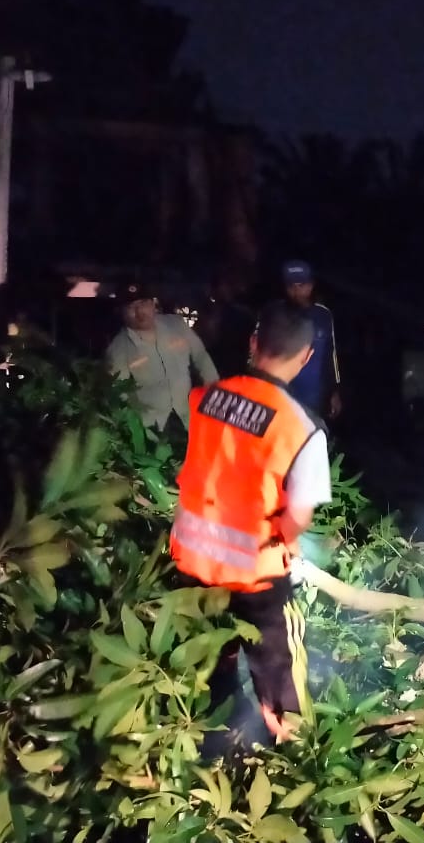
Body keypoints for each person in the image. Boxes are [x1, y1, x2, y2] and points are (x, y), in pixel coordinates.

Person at [172, 301, 331, 741]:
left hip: (192, 563)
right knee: (279, 666)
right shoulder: (302, 429)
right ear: (306, 357)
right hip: (255, 572)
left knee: (208, 658)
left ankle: (211, 740)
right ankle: (289, 743)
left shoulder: (207, 397)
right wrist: (288, 540)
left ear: (253, 343)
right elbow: (298, 516)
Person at [105, 280, 219, 433]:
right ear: (122, 311)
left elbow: (201, 357)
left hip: (188, 418)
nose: (139, 312)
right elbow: (119, 394)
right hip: (152, 429)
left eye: (143, 303)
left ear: (153, 304)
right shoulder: (118, 349)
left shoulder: (177, 325)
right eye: (131, 307)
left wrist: (214, 392)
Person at [280, 259, 342, 419]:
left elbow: (331, 355)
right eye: (291, 286)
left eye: (301, 285)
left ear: (310, 285)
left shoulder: (323, 315)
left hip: (314, 398)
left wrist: (335, 391)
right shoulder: (276, 313)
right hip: (283, 395)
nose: (296, 290)